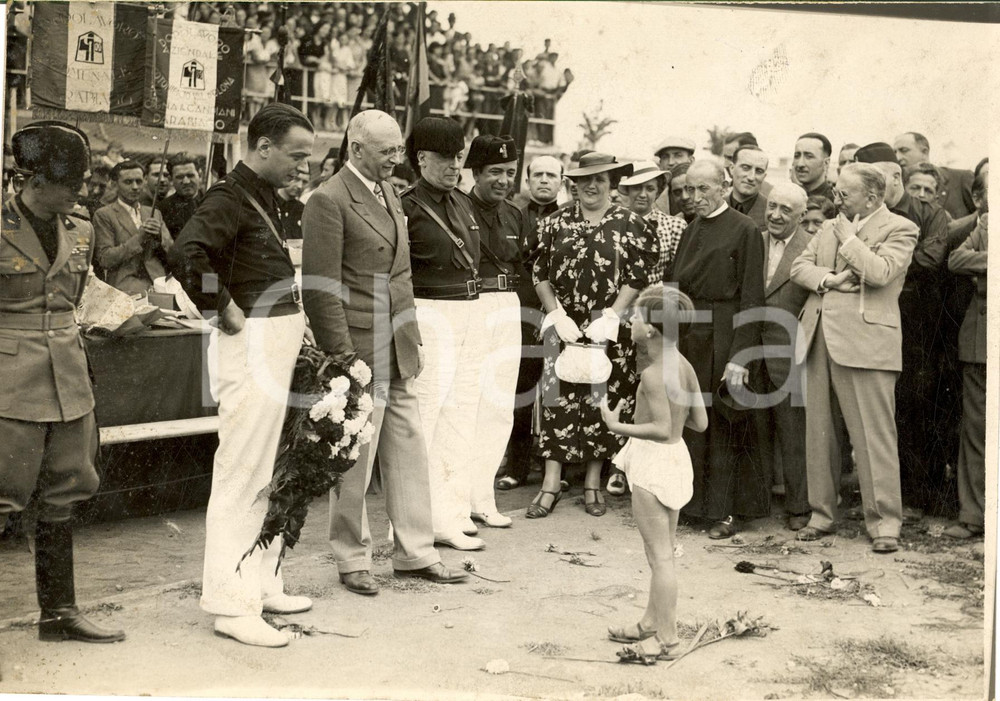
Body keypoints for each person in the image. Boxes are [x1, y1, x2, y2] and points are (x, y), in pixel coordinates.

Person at [168, 103, 317, 648]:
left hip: (277, 336)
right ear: (262, 147)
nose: (304, 166)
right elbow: (186, 252)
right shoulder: (229, 197)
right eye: (297, 155)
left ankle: (261, 579)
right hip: (249, 340)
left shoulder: (269, 199)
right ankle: (231, 604)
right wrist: (222, 307)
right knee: (243, 473)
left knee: (274, 469)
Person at [302, 110, 468, 596]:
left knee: (408, 450)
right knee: (354, 460)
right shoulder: (329, 200)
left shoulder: (389, 191)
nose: (398, 159)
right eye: (387, 152)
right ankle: (352, 558)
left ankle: (415, 552)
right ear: (356, 149)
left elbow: (400, 275)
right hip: (356, 350)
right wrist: (342, 355)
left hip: (397, 345)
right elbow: (320, 287)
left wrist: (410, 337)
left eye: (399, 150)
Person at [0, 121, 125, 643]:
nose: (79, 191)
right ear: (31, 178)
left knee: (67, 490)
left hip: (68, 378)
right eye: (67, 181)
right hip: (9, 381)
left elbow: (83, 293)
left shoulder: (81, 227)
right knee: (3, 495)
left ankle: (59, 614)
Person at [790, 162, 918, 553]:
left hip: (867, 344)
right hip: (819, 337)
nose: (836, 199)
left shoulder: (900, 228)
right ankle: (822, 516)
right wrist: (828, 280)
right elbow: (800, 266)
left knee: (873, 436)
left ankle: (884, 526)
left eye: (845, 194)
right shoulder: (830, 226)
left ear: (874, 197)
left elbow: (880, 272)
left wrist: (849, 242)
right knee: (820, 433)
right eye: (837, 192)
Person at [531, 152, 658, 519]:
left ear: (612, 183)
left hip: (608, 328)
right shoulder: (553, 223)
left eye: (600, 179)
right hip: (564, 326)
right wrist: (554, 313)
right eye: (584, 179)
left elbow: (638, 275)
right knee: (557, 398)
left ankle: (592, 482)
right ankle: (550, 483)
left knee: (602, 396)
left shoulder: (632, 224)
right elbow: (539, 270)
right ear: (573, 183)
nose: (591, 185)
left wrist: (613, 315)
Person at [601, 285, 707, 659]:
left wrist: (619, 426)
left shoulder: (652, 374)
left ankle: (669, 639)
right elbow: (700, 422)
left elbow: (660, 428)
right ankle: (650, 622)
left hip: (653, 462)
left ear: (652, 331)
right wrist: (673, 419)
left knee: (660, 556)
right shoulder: (685, 365)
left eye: (638, 316)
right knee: (660, 554)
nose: (631, 320)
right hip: (677, 460)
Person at [669, 159, 766, 539]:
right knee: (694, 421)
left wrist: (740, 357)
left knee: (726, 424)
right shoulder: (689, 231)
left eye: (703, 189)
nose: (694, 197)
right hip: (693, 337)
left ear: (723, 187)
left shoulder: (745, 230)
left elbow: (753, 297)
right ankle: (696, 505)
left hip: (727, 335)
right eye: (689, 190)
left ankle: (725, 511)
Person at [402, 116, 487, 550]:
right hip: (430, 313)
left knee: (461, 416)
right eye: (445, 158)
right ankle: (424, 519)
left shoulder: (462, 202)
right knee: (428, 420)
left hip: (469, 312)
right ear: (421, 159)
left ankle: (452, 514)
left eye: (458, 157)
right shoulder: (407, 206)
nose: (456, 166)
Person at [854, 142, 950, 521]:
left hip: (918, 326)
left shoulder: (930, 213)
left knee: (914, 407)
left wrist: (882, 265)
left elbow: (929, 260)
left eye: (874, 177)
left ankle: (915, 497)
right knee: (877, 412)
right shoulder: (864, 211)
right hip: (872, 321)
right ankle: (876, 497)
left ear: (896, 176)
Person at [464, 134, 528, 528]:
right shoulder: (458, 206)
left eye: (509, 172)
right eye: (494, 172)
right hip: (469, 306)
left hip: (507, 307)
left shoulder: (515, 214)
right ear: (476, 172)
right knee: (466, 405)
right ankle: (457, 503)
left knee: (499, 406)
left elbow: (521, 263)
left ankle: (482, 498)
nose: (503, 180)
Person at [497, 154, 563, 492]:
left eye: (552, 175)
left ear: (562, 182)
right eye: (538, 174)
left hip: (558, 315)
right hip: (521, 314)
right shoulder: (512, 216)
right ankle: (517, 465)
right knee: (520, 392)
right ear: (527, 179)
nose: (544, 181)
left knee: (555, 394)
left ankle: (557, 469)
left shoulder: (570, 219)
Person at [753, 181, 813, 531]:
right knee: (755, 430)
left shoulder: (813, 247)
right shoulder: (754, 240)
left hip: (790, 351)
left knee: (794, 432)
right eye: (772, 206)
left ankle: (799, 507)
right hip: (749, 349)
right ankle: (757, 502)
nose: (775, 214)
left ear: (802, 215)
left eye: (785, 210)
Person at [945, 204, 987, 540]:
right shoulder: (987, 223)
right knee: (976, 428)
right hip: (981, 343)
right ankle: (974, 515)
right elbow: (956, 260)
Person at [93, 160, 173, 295]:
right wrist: (139, 238)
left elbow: (171, 252)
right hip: (124, 288)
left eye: (139, 181)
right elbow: (105, 259)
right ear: (114, 184)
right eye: (128, 182)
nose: (135, 187)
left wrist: (160, 237)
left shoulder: (154, 213)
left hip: (158, 285)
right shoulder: (104, 215)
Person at [892, 132, 975, 220]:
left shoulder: (961, 178)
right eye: (895, 152)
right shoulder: (898, 188)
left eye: (904, 150)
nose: (897, 158)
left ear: (925, 152)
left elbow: (983, 215)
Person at [157, 153, 203, 238]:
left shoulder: (212, 202)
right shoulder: (162, 209)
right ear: (171, 180)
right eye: (180, 177)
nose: (186, 181)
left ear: (200, 175)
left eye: (190, 175)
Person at [726, 146, 770, 231]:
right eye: (745, 168)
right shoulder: (715, 206)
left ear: (764, 176)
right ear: (731, 168)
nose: (751, 177)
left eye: (759, 171)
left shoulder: (770, 213)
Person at [652, 136, 695, 215]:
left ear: (691, 160)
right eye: (665, 157)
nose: (671, 162)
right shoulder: (654, 197)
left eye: (678, 155)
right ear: (660, 163)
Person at [792, 132, 836, 202]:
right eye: (797, 156)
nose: (800, 164)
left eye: (809, 157)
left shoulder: (834, 201)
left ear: (826, 163)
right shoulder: (791, 197)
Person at [276, 164, 309, 240]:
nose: (300, 186)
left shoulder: (303, 209)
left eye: (305, 182)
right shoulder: (270, 204)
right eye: (296, 179)